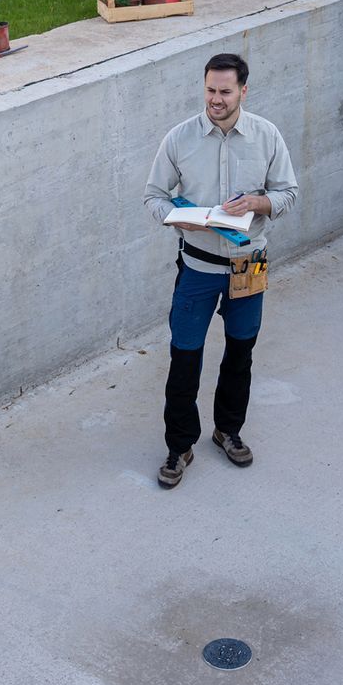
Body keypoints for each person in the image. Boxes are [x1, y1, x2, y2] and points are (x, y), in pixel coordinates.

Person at [142, 52, 299, 489]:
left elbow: (288, 192)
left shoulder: (267, 136)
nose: (216, 99)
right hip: (197, 266)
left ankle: (227, 431)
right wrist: (178, 218)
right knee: (184, 357)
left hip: (251, 264)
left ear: (243, 91)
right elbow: (154, 196)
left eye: (225, 92)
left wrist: (259, 203)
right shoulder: (179, 138)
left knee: (240, 353)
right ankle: (180, 445)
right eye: (210, 90)